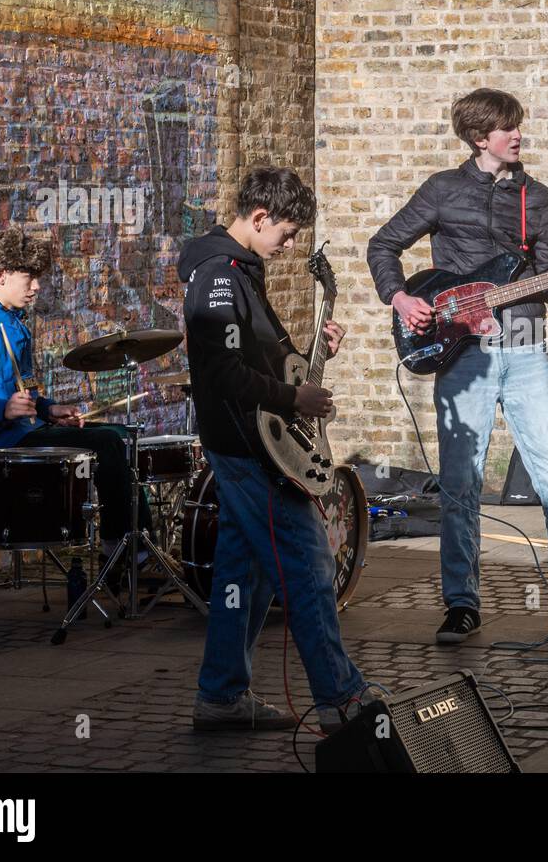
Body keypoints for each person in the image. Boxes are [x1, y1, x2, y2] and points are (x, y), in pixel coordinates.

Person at [367, 88, 548, 643]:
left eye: (519, 127)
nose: (519, 136)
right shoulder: (442, 190)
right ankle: (462, 604)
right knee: (461, 484)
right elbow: (383, 245)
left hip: (528, 347)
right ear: (480, 138)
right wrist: (401, 298)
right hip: (462, 354)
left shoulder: (541, 198)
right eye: (509, 129)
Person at [180, 166, 378, 732]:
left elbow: (252, 354)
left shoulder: (239, 270)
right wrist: (294, 395)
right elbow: (221, 370)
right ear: (259, 217)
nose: (290, 246)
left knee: (243, 576)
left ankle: (220, 698)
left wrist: (311, 357)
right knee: (308, 565)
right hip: (248, 449)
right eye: (286, 234)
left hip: (247, 444)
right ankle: (343, 699)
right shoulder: (220, 276)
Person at [0, 226, 146, 567]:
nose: (37, 286)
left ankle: (135, 545)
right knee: (107, 442)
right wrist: (2, 409)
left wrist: (48, 409)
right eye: (29, 277)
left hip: (20, 431)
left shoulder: (8, 318)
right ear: (1, 276)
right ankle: (121, 550)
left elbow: (17, 390)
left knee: (121, 436)